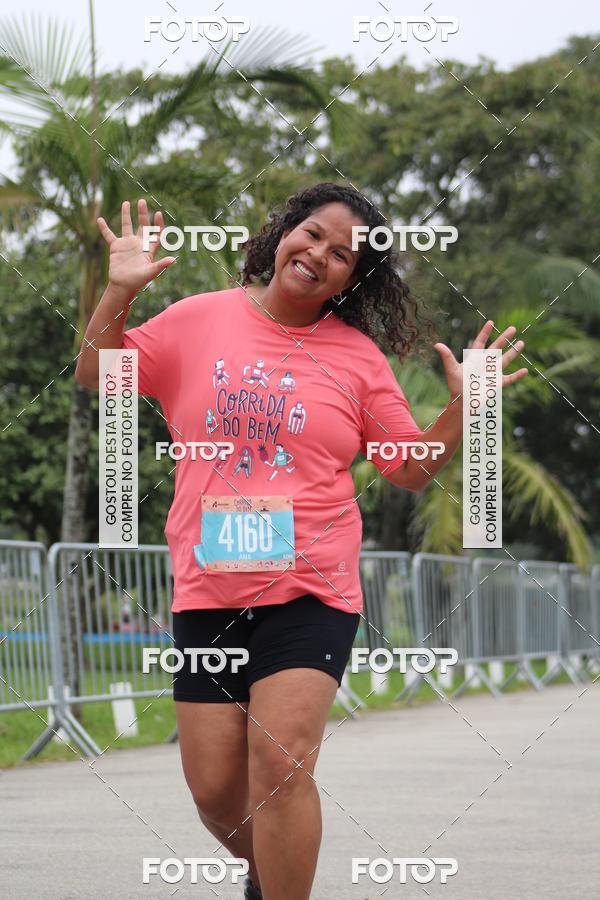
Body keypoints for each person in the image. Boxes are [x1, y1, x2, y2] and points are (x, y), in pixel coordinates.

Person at [75, 182, 527, 899]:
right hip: (209, 585)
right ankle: (271, 878)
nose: (319, 254)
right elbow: (100, 370)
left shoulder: (355, 360)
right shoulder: (199, 320)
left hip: (312, 588)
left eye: (343, 253)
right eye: (312, 233)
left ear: (354, 278)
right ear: (283, 232)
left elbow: (407, 469)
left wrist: (464, 411)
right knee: (216, 792)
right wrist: (119, 291)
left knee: (280, 766)